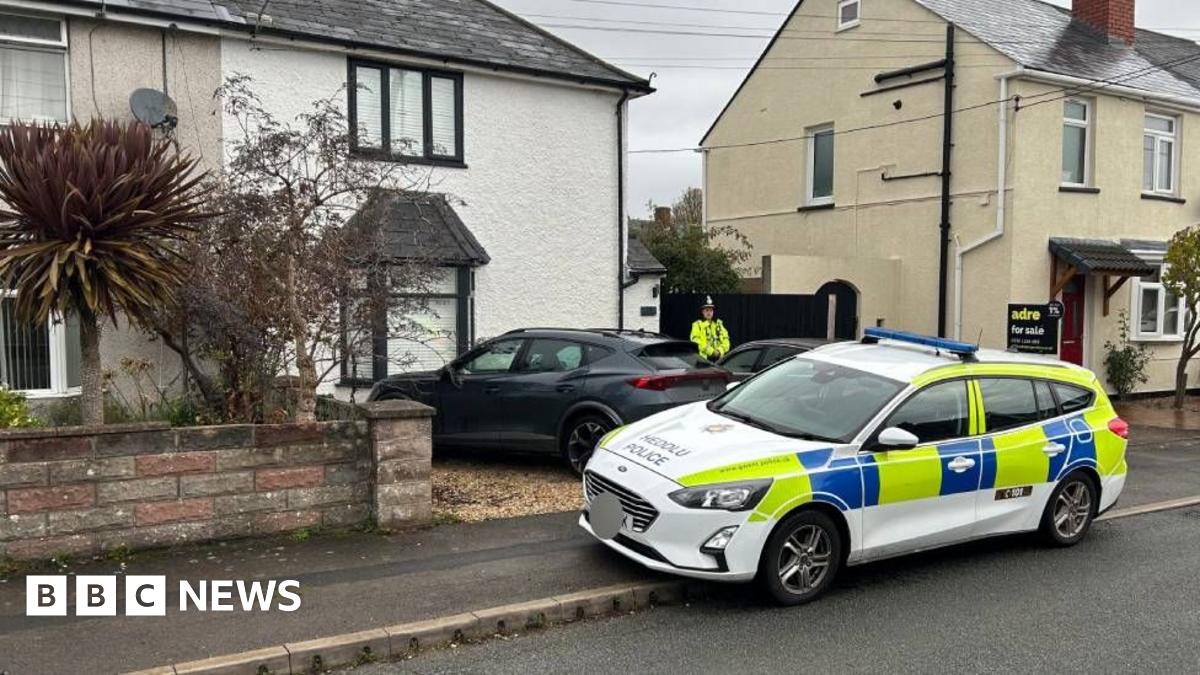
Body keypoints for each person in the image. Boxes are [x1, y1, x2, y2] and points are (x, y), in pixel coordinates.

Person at [690, 296, 730, 362]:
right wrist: (711, 351)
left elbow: (726, 340)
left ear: (713, 312)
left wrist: (719, 351)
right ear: (702, 312)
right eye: (707, 310)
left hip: (719, 360)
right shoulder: (697, 325)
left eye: (711, 310)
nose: (709, 312)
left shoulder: (719, 324)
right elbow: (696, 341)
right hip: (703, 361)